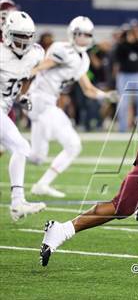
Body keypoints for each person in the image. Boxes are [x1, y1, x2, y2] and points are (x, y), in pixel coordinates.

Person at [27, 16, 109, 198]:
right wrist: (20, 74)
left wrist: (106, 95)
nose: (84, 38)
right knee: (73, 145)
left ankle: (11, 145)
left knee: (37, 157)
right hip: (40, 100)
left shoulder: (84, 58)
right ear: (73, 34)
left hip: (47, 101)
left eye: (88, 35)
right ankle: (42, 182)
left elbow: (88, 89)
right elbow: (42, 66)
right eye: (81, 34)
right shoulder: (61, 49)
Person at [0, 11, 46, 220]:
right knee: (21, 146)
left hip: (3, 108)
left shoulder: (35, 53)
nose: (25, 41)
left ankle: (18, 202)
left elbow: (26, 77)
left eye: (28, 36)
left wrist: (22, 96)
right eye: (20, 36)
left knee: (21, 147)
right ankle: (17, 201)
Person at [114, 20, 138, 132]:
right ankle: (122, 128)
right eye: (133, 30)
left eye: (137, 29)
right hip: (124, 76)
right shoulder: (121, 45)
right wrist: (124, 39)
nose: (136, 32)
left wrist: (131, 41)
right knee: (123, 103)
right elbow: (119, 56)